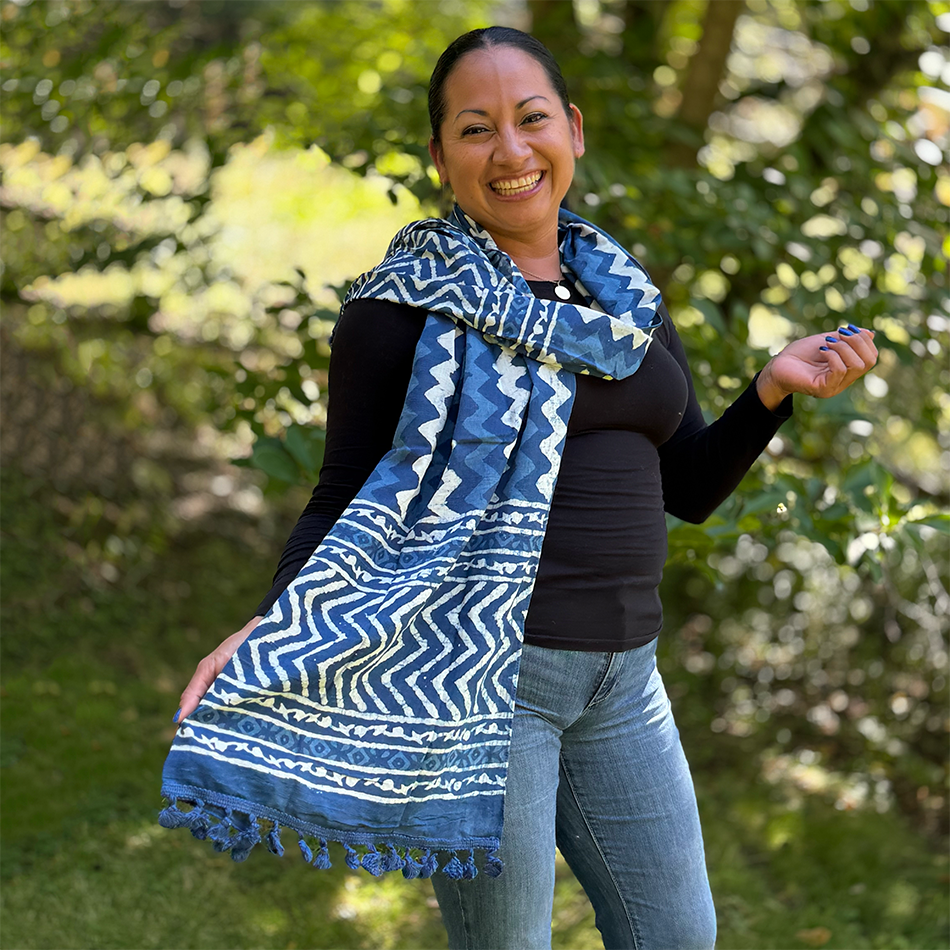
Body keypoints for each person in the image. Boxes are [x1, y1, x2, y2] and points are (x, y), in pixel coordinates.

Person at [168, 26, 878, 950]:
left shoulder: (624, 299)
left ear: (573, 131)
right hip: (488, 680)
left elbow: (689, 484)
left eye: (531, 118)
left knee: (679, 937)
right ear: (439, 157)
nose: (511, 151)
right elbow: (341, 489)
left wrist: (772, 390)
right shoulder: (398, 309)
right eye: (475, 129)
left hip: (628, 681)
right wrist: (274, 620)